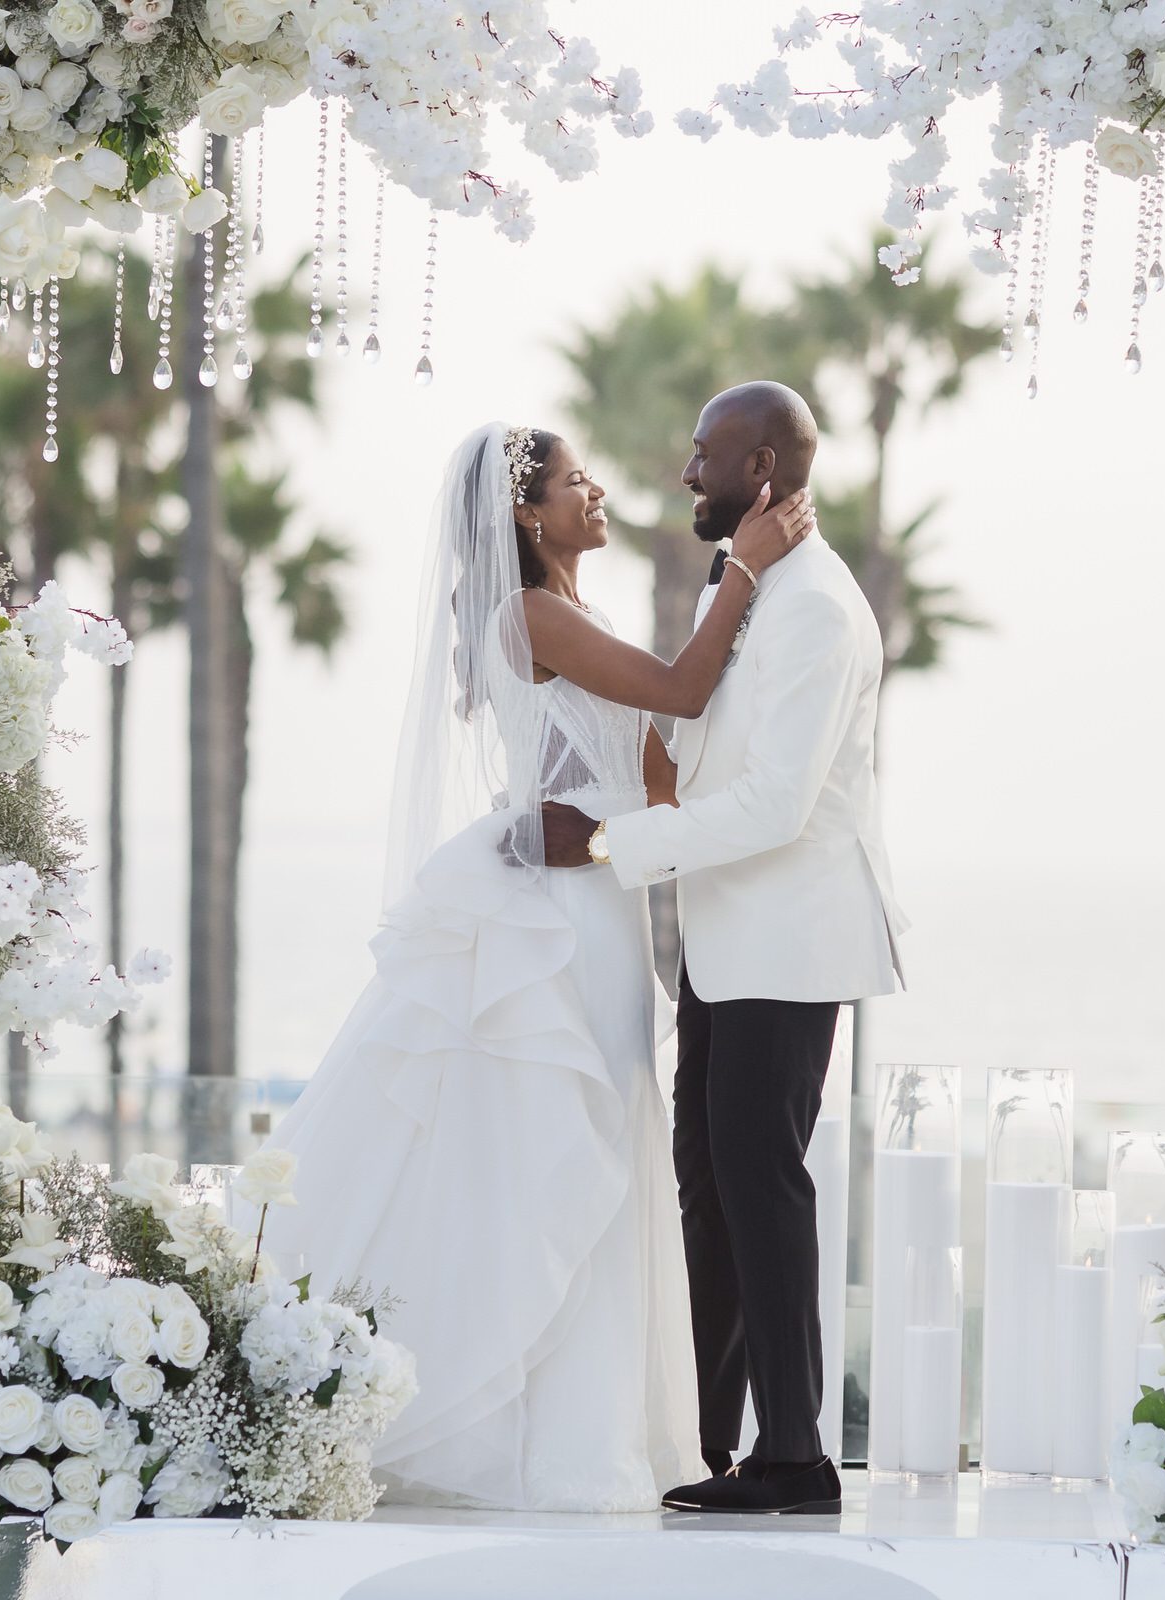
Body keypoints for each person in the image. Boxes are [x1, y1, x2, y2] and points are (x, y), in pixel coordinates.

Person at [251, 421, 813, 1512]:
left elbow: (654, 776)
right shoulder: (529, 613)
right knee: (561, 1138)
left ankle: (588, 1425)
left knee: (605, 1135)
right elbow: (682, 692)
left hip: (595, 898)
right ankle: (522, 1427)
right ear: (524, 512)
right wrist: (746, 567)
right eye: (572, 481)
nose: (595, 490)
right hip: (552, 919)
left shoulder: (573, 612)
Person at [540, 382, 909, 1516]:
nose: (685, 474)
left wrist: (611, 840)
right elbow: (702, 740)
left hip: (788, 943)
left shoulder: (811, 609)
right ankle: (707, 1440)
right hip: (724, 941)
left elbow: (776, 807)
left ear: (760, 469)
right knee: (715, 1188)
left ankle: (796, 1456)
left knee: (763, 1186)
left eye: (704, 456)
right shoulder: (756, 585)